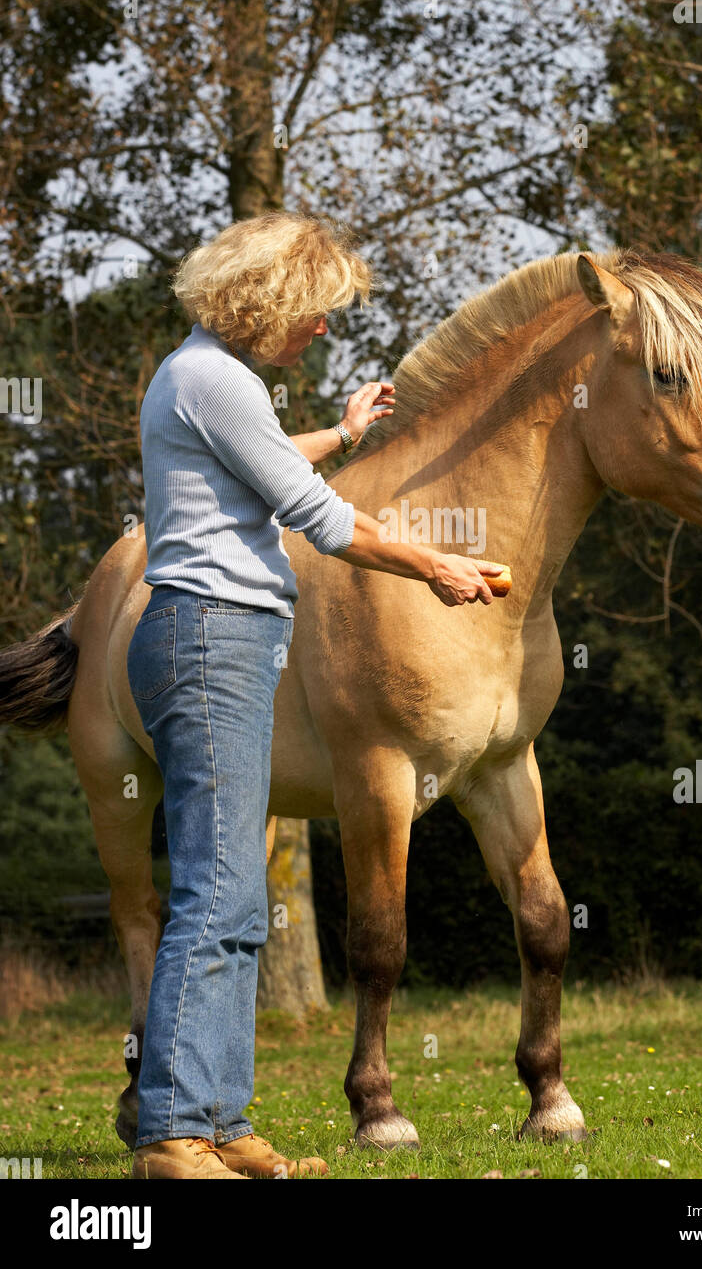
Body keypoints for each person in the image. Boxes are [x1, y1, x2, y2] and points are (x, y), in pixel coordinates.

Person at [127, 211, 503, 1179]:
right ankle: (172, 1133)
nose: (324, 329)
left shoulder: (210, 378)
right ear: (273, 299)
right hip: (211, 636)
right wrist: (436, 566)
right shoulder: (213, 375)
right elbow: (321, 518)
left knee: (238, 893)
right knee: (217, 890)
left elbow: (266, 459)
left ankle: (219, 1119)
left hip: (229, 640)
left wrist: (341, 429)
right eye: (320, 311)